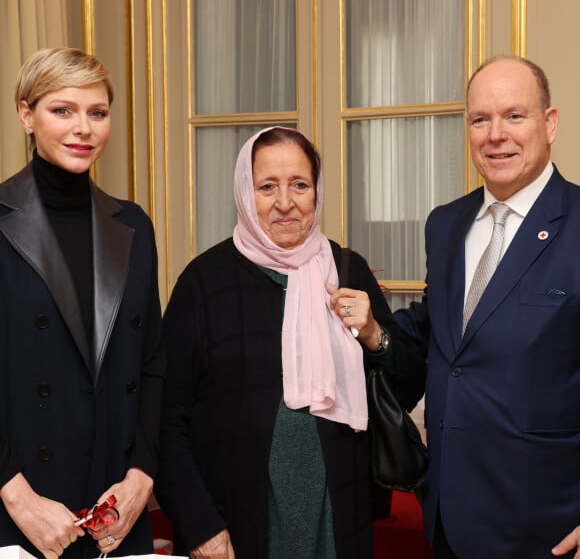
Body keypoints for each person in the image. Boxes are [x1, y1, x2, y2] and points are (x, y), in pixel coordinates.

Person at [155, 126, 426, 559]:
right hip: (236, 524)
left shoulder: (348, 270)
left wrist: (375, 335)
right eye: (267, 187)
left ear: (316, 192)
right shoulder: (202, 283)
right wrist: (199, 525)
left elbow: (407, 389)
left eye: (299, 185)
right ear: (246, 192)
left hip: (339, 513)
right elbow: (166, 421)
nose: (285, 202)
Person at [394, 55, 580, 558]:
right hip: (448, 521)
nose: (496, 134)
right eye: (481, 119)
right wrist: (373, 330)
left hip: (549, 530)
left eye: (514, 116)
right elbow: (443, 336)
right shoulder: (446, 224)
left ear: (550, 123)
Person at [0, 47, 165, 558]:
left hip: (115, 510)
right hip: (21, 514)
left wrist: (140, 479)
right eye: (62, 110)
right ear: (26, 114)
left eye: (98, 112)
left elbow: (154, 364)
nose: (84, 129)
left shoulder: (133, 225)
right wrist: (19, 498)